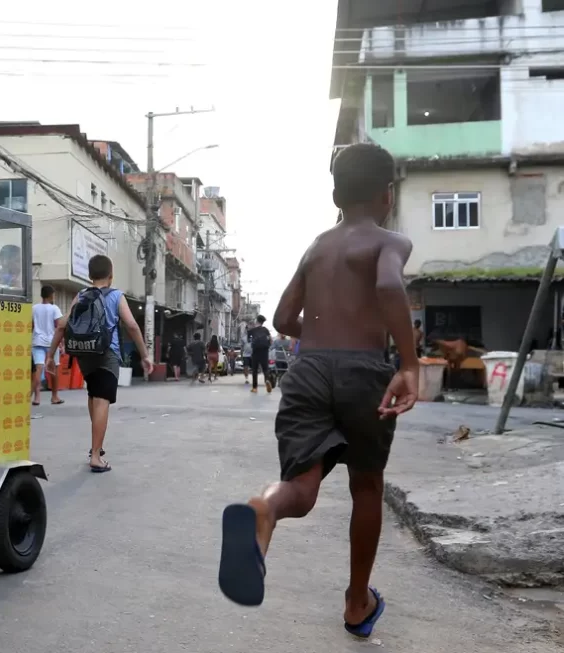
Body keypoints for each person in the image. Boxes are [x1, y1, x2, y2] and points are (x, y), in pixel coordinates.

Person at [216, 142, 418, 640]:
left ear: (336, 194)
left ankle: (262, 510)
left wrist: (325, 336)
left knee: (300, 489)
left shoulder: (317, 246)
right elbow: (390, 288)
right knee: (366, 485)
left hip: (307, 372)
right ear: (387, 195)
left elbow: (285, 319)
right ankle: (356, 602)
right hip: (363, 372)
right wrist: (410, 363)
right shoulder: (389, 241)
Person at [47, 254, 152, 473]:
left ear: (89, 275)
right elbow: (132, 326)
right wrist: (144, 355)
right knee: (102, 400)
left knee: (94, 395)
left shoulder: (82, 295)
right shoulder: (116, 295)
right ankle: (95, 455)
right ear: (111, 276)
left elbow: (61, 326)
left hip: (84, 354)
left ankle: (97, 446)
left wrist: (50, 354)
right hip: (106, 353)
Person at [31, 284, 64, 406]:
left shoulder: (34, 308)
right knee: (53, 370)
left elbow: (31, 326)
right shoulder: (54, 308)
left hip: (37, 341)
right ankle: (54, 396)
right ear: (51, 295)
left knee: (38, 370)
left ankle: (37, 397)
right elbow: (60, 326)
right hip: (52, 344)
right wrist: (62, 343)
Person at [248, 315, 273, 394]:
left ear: (256, 321)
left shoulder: (252, 330)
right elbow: (271, 340)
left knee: (255, 370)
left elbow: (248, 340)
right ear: (263, 322)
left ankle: (255, 388)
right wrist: (268, 346)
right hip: (264, 351)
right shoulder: (266, 330)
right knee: (265, 369)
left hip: (255, 351)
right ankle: (267, 381)